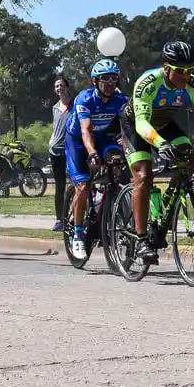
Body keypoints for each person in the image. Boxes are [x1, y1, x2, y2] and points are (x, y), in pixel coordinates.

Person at [122, 41, 194, 265]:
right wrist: (160, 144)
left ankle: (166, 208)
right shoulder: (148, 83)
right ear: (166, 68)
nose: (185, 76)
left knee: (188, 159)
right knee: (143, 176)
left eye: (189, 71)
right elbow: (141, 123)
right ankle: (141, 240)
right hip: (137, 126)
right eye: (180, 71)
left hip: (165, 123)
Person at [64, 59, 128, 258]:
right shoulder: (85, 99)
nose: (110, 83)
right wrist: (91, 152)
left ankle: (108, 202)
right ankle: (77, 233)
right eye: (105, 79)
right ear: (95, 81)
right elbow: (86, 130)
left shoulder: (121, 100)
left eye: (113, 79)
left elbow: (128, 128)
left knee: (117, 162)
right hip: (77, 140)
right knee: (82, 185)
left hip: (102, 138)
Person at [49, 76, 72, 231]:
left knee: (78, 183)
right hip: (55, 151)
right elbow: (56, 127)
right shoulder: (55, 107)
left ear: (67, 87)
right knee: (60, 186)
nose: (59, 88)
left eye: (61, 85)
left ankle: (75, 216)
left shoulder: (75, 105)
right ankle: (59, 219)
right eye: (57, 86)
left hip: (71, 149)